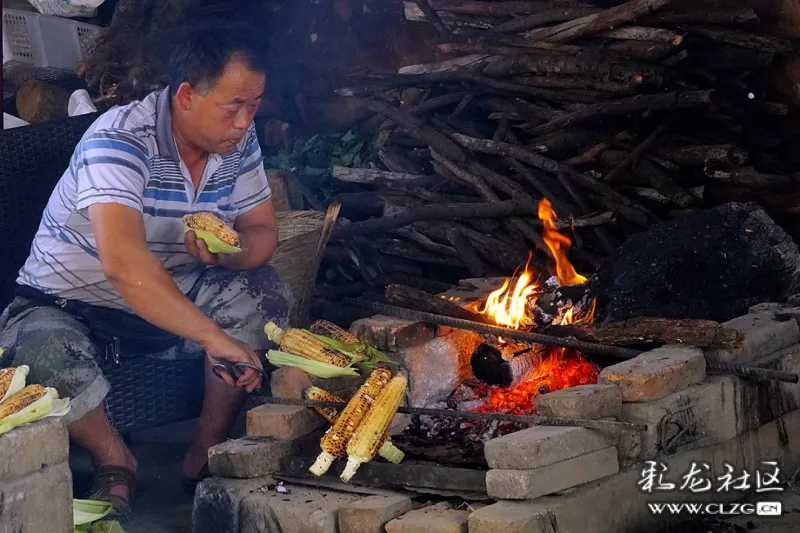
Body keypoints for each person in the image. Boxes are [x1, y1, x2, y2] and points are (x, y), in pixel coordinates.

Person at [0, 22, 291, 517]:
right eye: (232, 106)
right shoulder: (119, 141)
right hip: (70, 302)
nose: (245, 121)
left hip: (172, 291)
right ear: (185, 96)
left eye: (254, 105)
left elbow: (262, 230)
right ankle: (115, 461)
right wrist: (213, 338)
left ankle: (206, 451)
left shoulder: (237, 144)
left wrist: (231, 253)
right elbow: (124, 263)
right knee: (35, 354)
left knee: (265, 293)